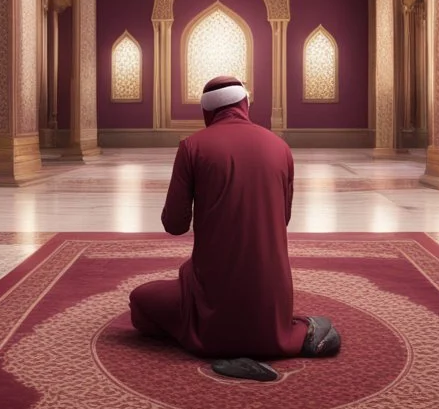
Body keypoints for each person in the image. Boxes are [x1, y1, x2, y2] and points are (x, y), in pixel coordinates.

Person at [129, 74, 341, 381]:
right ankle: (301, 332)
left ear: (207, 111)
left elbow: (174, 225)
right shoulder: (280, 147)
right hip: (272, 300)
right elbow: (282, 219)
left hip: (213, 296)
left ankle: (229, 343)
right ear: (244, 104)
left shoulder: (192, 147)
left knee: (141, 300)